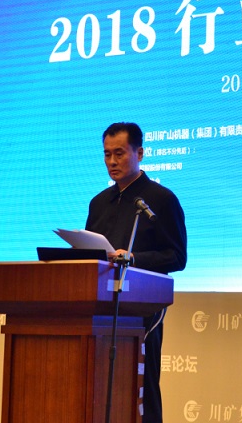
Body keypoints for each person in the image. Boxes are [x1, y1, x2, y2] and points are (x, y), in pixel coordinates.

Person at [85, 122, 187, 423]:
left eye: (119, 153)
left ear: (139, 153)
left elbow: (176, 257)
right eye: (107, 154)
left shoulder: (161, 199)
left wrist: (133, 258)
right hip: (100, 309)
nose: (112, 161)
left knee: (142, 388)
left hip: (142, 310)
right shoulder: (98, 202)